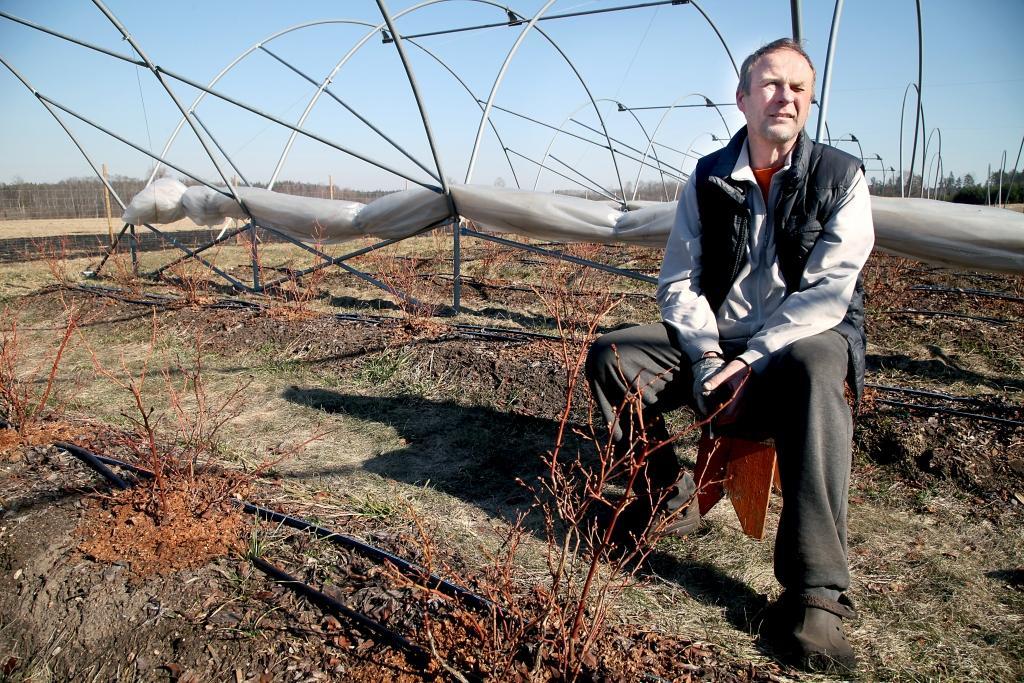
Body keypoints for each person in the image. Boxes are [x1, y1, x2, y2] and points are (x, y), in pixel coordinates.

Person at [585, 38, 874, 673]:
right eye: (770, 84)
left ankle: (815, 596)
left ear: (810, 100)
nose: (785, 97)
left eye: (798, 87)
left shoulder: (840, 177)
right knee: (613, 355)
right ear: (742, 98)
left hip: (797, 345)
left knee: (821, 361)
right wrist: (712, 355)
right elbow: (679, 281)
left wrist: (751, 360)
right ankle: (664, 494)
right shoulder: (709, 176)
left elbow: (830, 294)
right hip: (723, 342)